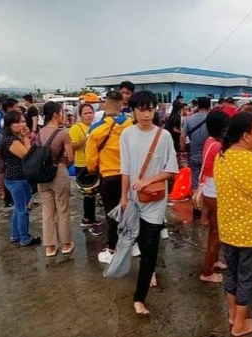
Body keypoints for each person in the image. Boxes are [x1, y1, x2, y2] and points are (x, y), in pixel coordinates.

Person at [214, 112, 252, 336]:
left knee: (232, 272)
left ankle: (232, 315)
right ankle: (240, 325)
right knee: (248, 277)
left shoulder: (221, 157)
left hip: (228, 228)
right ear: (245, 136)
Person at [119, 91, 178, 314]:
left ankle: (139, 298)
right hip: (133, 201)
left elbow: (171, 169)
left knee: (150, 245)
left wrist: (148, 181)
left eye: (150, 109)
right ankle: (149, 268)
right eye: (142, 109)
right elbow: (124, 169)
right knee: (139, 243)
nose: (146, 114)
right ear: (133, 110)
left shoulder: (163, 136)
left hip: (155, 200)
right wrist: (123, 197)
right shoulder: (127, 134)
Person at [86, 91, 133, 262]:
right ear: (122, 104)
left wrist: (93, 170)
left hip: (108, 177)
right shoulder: (131, 125)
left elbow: (91, 160)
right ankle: (133, 245)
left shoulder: (96, 129)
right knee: (130, 210)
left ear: (105, 104)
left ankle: (112, 249)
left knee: (112, 214)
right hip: (129, 175)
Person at [0, 111, 42, 247]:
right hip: (17, 178)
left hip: (16, 178)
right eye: (18, 122)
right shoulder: (10, 140)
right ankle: (24, 237)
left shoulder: (12, 138)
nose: (22, 124)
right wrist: (26, 137)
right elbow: (27, 154)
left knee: (18, 209)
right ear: (9, 125)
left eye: (24, 121)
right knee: (23, 209)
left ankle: (15, 235)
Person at [37, 102, 74, 257]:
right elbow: (71, 157)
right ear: (55, 115)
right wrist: (64, 163)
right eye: (61, 112)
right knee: (62, 209)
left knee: (47, 210)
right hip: (58, 171)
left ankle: (50, 247)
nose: (63, 116)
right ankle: (66, 243)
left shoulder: (39, 133)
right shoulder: (63, 133)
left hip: (42, 174)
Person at [199, 110, 230, 283]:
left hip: (210, 191)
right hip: (216, 193)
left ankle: (214, 261)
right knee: (216, 235)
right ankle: (207, 272)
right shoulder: (219, 147)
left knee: (214, 230)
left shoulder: (210, 141)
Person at [69, 104, 101, 228]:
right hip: (82, 165)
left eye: (90, 113)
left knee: (94, 193)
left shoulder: (96, 127)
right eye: (85, 113)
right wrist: (86, 139)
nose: (89, 115)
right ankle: (87, 220)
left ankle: (92, 218)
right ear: (80, 115)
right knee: (87, 194)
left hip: (95, 164)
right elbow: (72, 147)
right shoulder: (76, 128)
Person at [180, 97, 210, 218]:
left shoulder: (189, 119)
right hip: (209, 155)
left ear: (197, 106)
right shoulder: (212, 119)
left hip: (194, 153)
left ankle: (196, 209)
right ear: (209, 106)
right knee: (210, 181)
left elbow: (182, 136)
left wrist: (183, 149)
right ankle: (209, 209)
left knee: (195, 182)